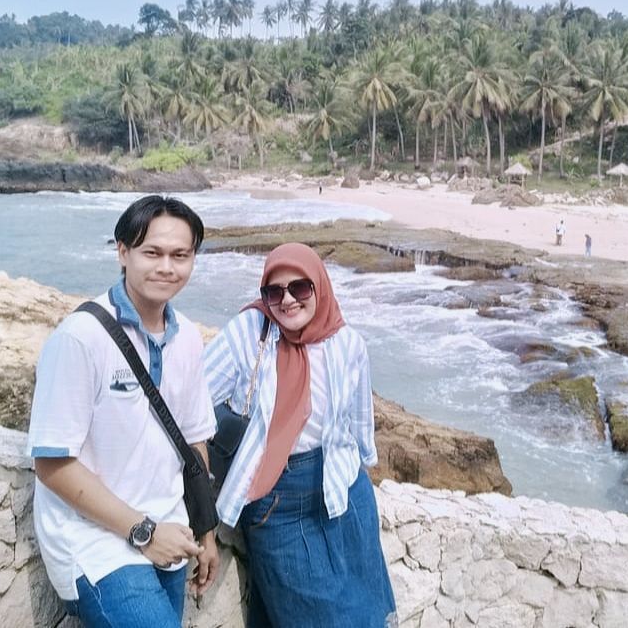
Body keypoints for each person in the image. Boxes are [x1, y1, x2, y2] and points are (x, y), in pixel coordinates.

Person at [27, 195, 219, 627]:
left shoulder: (188, 338)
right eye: (152, 253)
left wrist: (206, 531)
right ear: (123, 252)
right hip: (96, 544)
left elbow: (194, 442)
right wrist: (143, 532)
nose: (166, 267)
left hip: (170, 534)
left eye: (180, 255)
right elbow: (52, 463)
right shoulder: (80, 338)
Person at [204, 243, 396, 627]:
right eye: (274, 292)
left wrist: (365, 465)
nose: (287, 300)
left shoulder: (346, 343)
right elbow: (191, 400)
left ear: (319, 286)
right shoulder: (250, 332)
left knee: (367, 612)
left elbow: (360, 419)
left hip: (345, 491)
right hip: (278, 500)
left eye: (300, 288)